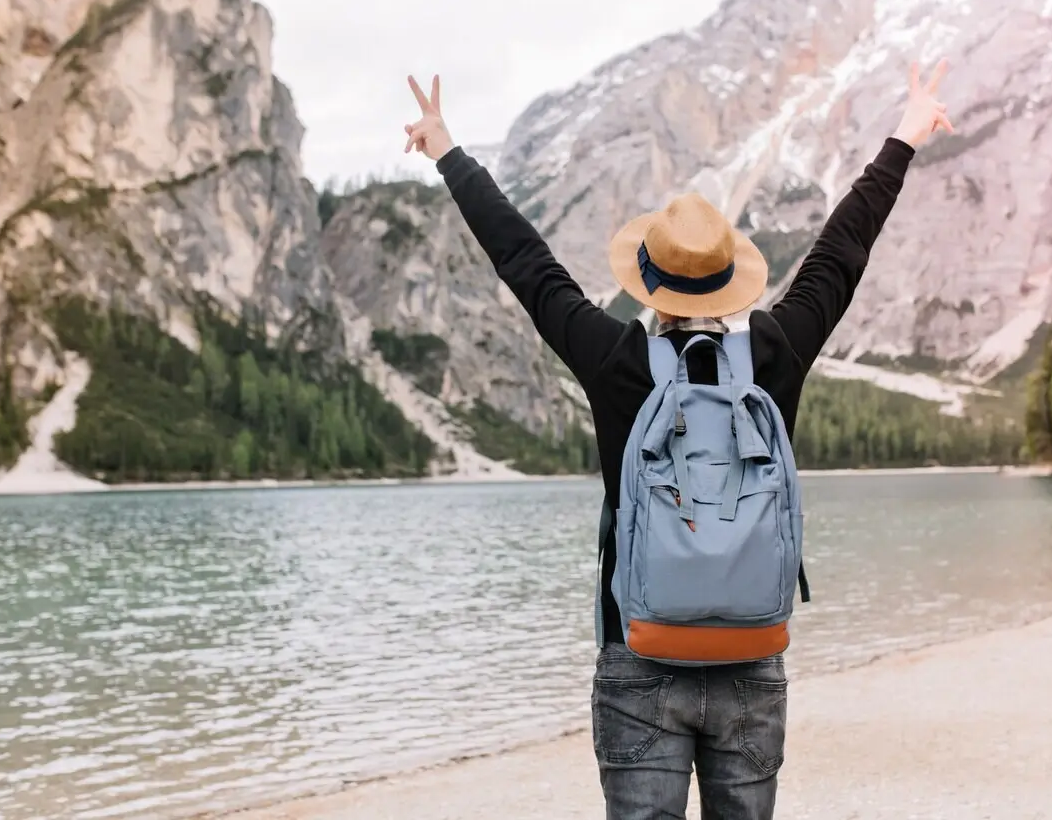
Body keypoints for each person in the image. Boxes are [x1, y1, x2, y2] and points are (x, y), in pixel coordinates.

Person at [402, 59, 953, 819]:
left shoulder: (616, 358)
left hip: (639, 655)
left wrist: (446, 151)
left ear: (649, 284)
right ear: (732, 280)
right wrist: (905, 135)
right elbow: (840, 254)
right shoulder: (773, 352)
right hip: (752, 657)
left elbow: (527, 263)